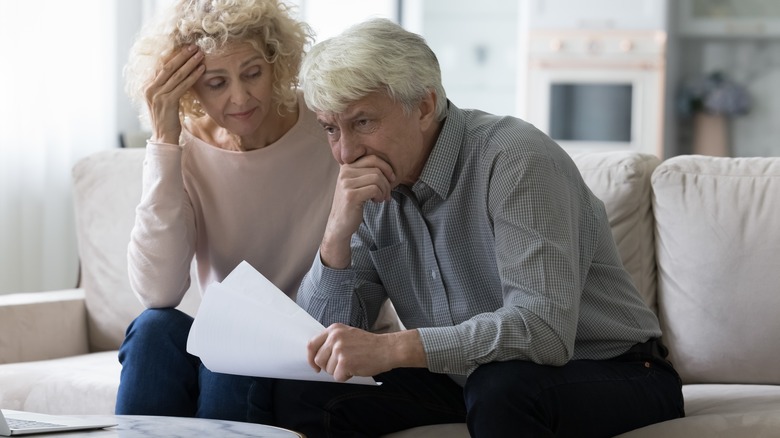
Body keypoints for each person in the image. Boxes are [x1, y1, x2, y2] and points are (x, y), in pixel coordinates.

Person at [263, 18, 685, 437]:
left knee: (501, 388)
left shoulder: (514, 158)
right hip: (466, 379)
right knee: (303, 394)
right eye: (331, 129)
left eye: (363, 123)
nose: (346, 152)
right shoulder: (369, 190)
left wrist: (395, 348)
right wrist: (336, 234)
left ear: (424, 106)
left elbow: (543, 332)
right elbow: (319, 353)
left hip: (614, 371)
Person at [115, 0, 339, 423]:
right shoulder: (184, 149)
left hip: (312, 338)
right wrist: (164, 141)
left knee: (230, 354)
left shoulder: (327, 128)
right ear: (189, 89)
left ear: (278, 63)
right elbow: (158, 293)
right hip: (230, 337)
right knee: (152, 330)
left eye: (253, 73)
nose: (240, 97)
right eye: (216, 82)